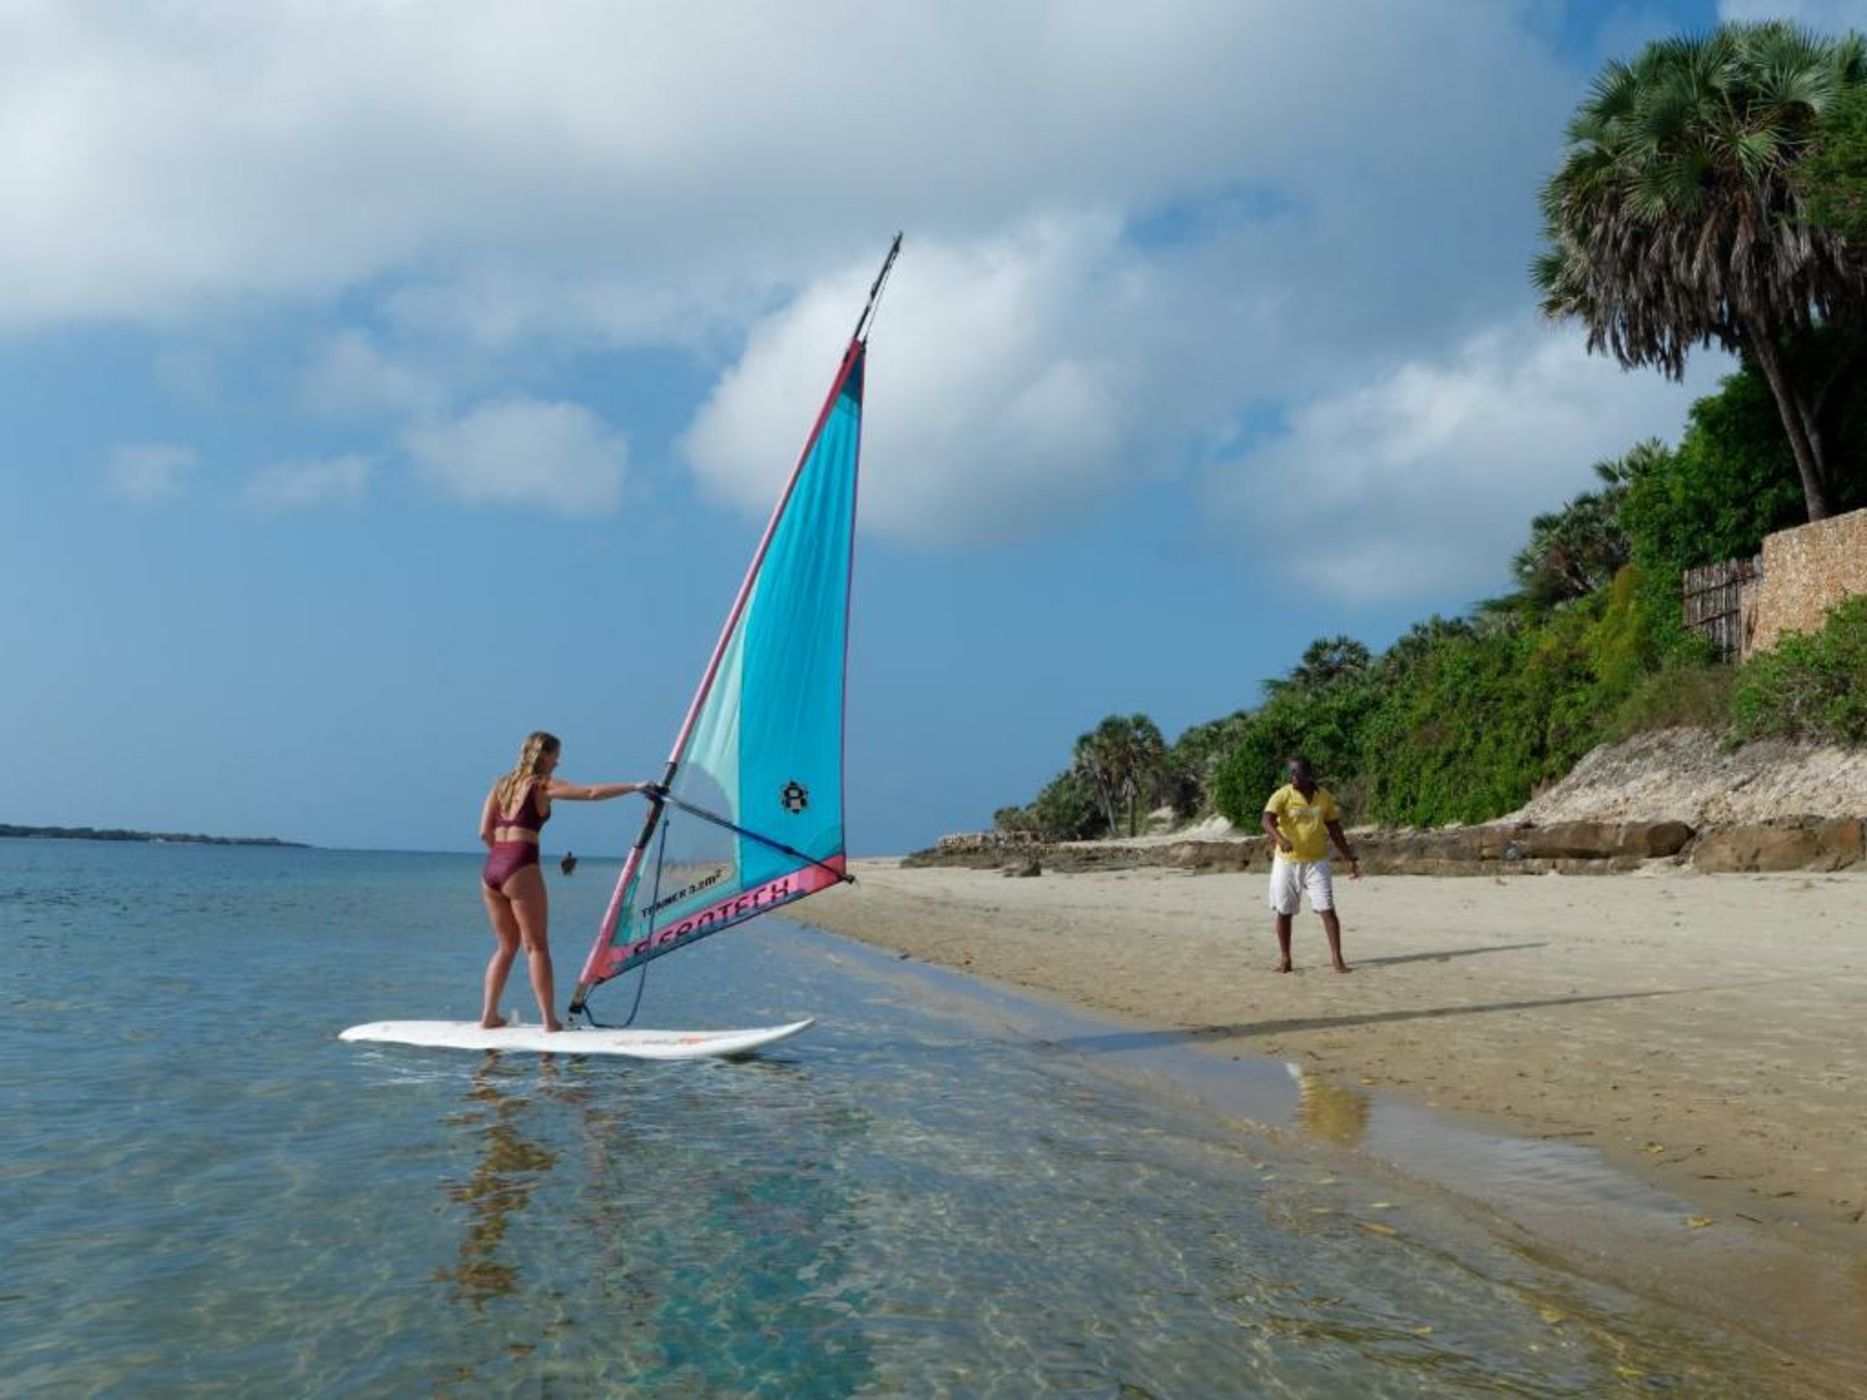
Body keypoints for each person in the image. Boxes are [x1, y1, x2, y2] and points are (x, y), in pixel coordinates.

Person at [479, 731, 649, 1031]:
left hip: (492, 868)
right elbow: (590, 793)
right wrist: (635, 787)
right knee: (537, 947)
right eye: (556, 756)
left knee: (506, 947)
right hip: (520, 863)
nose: (559, 762)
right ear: (544, 755)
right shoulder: (541, 783)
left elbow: (484, 833)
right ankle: (549, 1022)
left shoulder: (500, 785)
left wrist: (503, 859)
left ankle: (489, 1017)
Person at [1260, 756, 1360, 974]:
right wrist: (1280, 839)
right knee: (1284, 911)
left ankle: (1337, 959)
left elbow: (1335, 829)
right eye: (1291, 773)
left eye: (1297, 773)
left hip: (1317, 861)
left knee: (1327, 909)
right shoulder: (1283, 794)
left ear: (1308, 775)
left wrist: (1349, 857)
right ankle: (1285, 959)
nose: (1293, 777)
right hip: (1286, 862)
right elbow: (1266, 820)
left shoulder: (1323, 797)